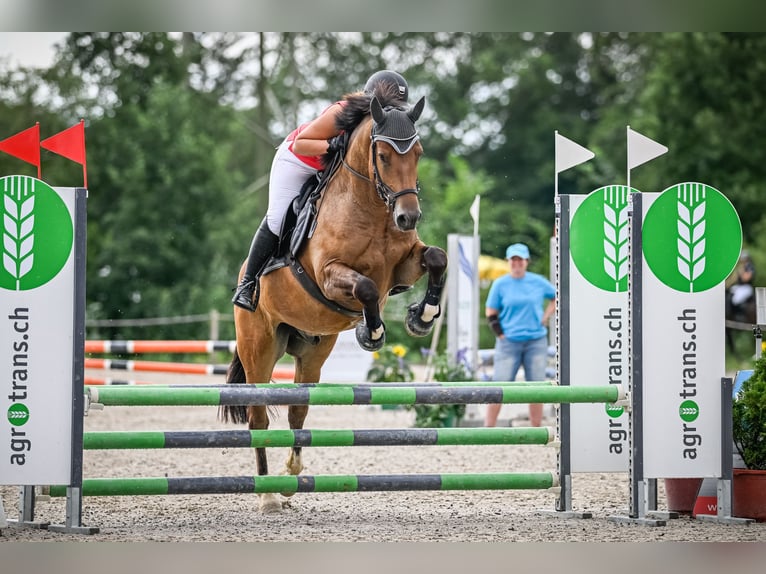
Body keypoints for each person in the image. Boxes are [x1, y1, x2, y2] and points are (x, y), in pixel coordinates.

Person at [231, 70, 410, 311]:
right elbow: (301, 143)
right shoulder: (342, 112)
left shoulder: (384, 128)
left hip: (332, 168)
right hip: (299, 161)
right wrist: (333, 144)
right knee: (278, 217)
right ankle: (248, 283)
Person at [484, 243, 556, 427]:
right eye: (513, 260)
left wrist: (546, 316)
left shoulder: (538, 281)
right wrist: (500, 335)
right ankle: (488, 428)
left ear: (526, 261)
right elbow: (491, 312)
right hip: (508, 341)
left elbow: (557, 296)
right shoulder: (500, 283)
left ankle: (536, 430)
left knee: (537, 387)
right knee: (499, 386)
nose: (517, 263)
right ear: (508, 262)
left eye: (520, 259)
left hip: (536, 340)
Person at [727, 250, 756, 318]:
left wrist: (741, 271)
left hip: (746, 287)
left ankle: (739, 315)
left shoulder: (750, 267)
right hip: (739, 286)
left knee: (736, 300)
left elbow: (746, 278)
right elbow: (734, 279)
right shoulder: (741, 267)